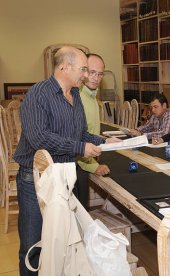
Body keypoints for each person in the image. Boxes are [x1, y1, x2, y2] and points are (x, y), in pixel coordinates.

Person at [13, 46, 118, 276]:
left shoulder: (76, 94)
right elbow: (39, 137)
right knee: (33, 246)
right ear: (65, 67)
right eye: (82, 69)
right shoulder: (39, 94)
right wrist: (81, 147)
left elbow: (79, 133)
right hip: (36, 180)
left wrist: (102, 141)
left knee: (61, 244)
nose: (85, 75)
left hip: (63, 177)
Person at [77, 53, 110, 208]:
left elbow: (90, 133)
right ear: (83, 71)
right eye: (92, 73)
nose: (96, 78)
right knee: (80, 215)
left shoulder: (92, 98)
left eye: (100, 74)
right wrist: (94, 167)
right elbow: (78, 138)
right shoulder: (78, 98)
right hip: (78, 166)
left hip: (87, 161)